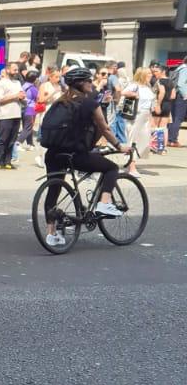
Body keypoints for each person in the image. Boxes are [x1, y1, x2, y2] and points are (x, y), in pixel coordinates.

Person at [41, 65, 131, 248]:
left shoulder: (60, 102)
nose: (92, 83)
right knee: (111, 168)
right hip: (75, 155)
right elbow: (104, 128)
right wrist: (120, 146)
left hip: (53, 153)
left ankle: (51, 234)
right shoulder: (90, 103)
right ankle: (104, 204)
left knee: (54, 189)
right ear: (81, 84)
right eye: (89, 80)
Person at [0, 61, 24, 169]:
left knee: (12, 140)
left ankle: (8, 161)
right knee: (2, 139)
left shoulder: (18, 83)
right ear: (8, 70)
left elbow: (21, 95)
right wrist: (15, 96)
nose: (16, 71)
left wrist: (22, 97)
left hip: (16, 114)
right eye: (14, 69)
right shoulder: (1, 83)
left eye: (17, 69)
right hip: (5, 115)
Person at [123, 67, 155, 168]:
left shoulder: (148, 86)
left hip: (146, 116)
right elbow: (123, 92)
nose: (151, 75)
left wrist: (151, 117)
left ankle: (132, 162)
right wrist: (134, 95)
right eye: (148, 73)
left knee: (144, 141)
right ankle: (132, 166)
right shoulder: (135, 85)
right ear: (142, 75)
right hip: (136, 115)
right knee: (133, 140)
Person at [171, 60, 187, 146]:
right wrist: (185, 94)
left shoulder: (179, 68)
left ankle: (170, 139)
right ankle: (173, 140)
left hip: (175, 95)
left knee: (173, 117)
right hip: (181, 96)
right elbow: (181, 84)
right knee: (178, 118)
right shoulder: (185, 69)